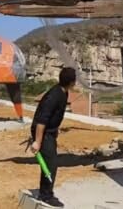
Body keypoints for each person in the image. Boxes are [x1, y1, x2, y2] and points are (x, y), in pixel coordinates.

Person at [30, 67, 76, 208]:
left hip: (49, 131)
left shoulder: (64, 92)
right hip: (42, 132)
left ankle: (45, 191)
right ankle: (46, 195)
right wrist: (37, 142)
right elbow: (41, 121)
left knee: (51, 161)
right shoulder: (54, 96)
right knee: (51, 164)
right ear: (72, 82)